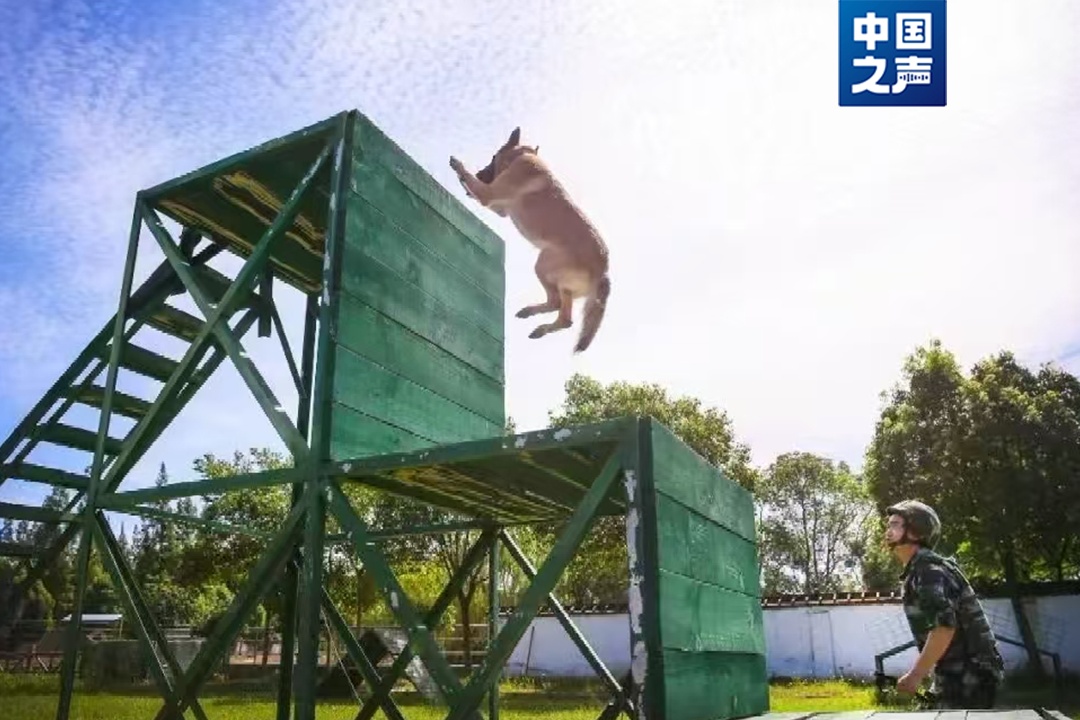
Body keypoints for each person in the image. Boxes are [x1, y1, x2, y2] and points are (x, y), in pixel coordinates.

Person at [884, 500, 1005, 709]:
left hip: (970, 672)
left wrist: (915, 676)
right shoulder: (921, 568)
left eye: (895, 524)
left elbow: (944, 628)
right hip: (958, 669)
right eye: (889, 525)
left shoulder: (928, 570)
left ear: (916, 532)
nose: (887, 531)